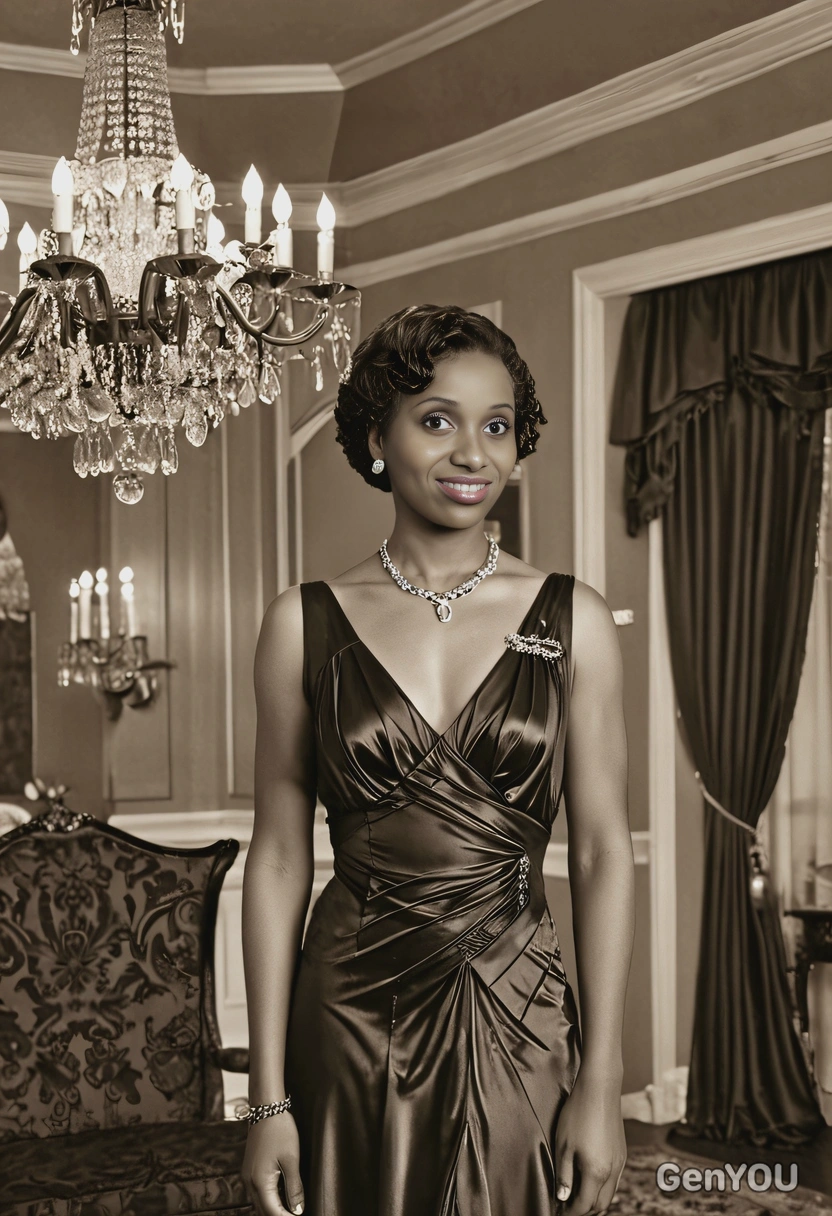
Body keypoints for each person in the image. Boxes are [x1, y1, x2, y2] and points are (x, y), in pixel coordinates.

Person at [241, 304, 634, 1216]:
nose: (472, 454)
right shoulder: (301, 622)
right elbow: (277, 856)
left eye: (496, 426)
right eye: (437, 420)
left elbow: (607, 853)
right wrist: (267, 1097)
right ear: (378, 437)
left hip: (522, 1021)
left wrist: (603, 1081)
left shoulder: (574, 618)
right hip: (347, 1019)